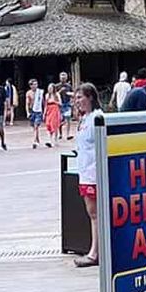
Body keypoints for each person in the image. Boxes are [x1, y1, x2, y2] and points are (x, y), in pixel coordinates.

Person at [72, 83, 102, 267]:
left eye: (80, 97)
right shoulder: (84, 120)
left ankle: (95, 252)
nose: (77, 102)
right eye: (75, 98)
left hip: (94, 173)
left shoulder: (97, 118)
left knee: (95, 213)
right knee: (92, 212)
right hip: (84, 170)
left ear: (90, 97)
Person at [26, 78, 45, 146]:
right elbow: (27, 104)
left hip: (38, 111)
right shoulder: (28, 93)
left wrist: (44, 111)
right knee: (34, 127)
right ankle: (37, 139)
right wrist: (28, 112)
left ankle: (35, 141)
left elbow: (43, 102)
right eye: (33, 84)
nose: (35, 86)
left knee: (36, 125)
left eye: (36, 84)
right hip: (32, 110)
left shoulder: (40, 92)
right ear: (30, 86)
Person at [57, 71, 74, 140]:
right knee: (60, 120)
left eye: (64, 77)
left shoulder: (69, 86)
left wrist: (72, 101)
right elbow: (54, 94)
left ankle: (68, 134)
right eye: (62, 77)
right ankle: (60, 134)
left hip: (67, 104)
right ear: (59, 78)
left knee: (68, 119)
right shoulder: (57, 86)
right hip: (60, 104)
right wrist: (60, 91)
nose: (63, 78)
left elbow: (72, 93)